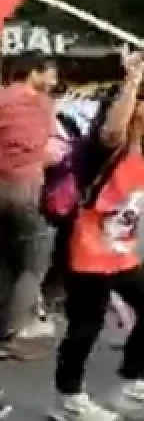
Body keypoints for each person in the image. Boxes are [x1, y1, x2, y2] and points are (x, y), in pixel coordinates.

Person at [47, 51, 144, 421]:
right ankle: (68, 398)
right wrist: (132, 80)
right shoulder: (107, 147)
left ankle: (132, 380)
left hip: (118, 249)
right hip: (85, 245)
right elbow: (113, 128)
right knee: (86, 324)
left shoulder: (140, 149)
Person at [0, 51, 60, 359]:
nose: (52, 80)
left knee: (0, 262)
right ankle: (6, 332)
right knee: (34, 263)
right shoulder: (41, 105)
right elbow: (43, 146)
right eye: (47, 72)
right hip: (26, 187)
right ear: (32, 73)